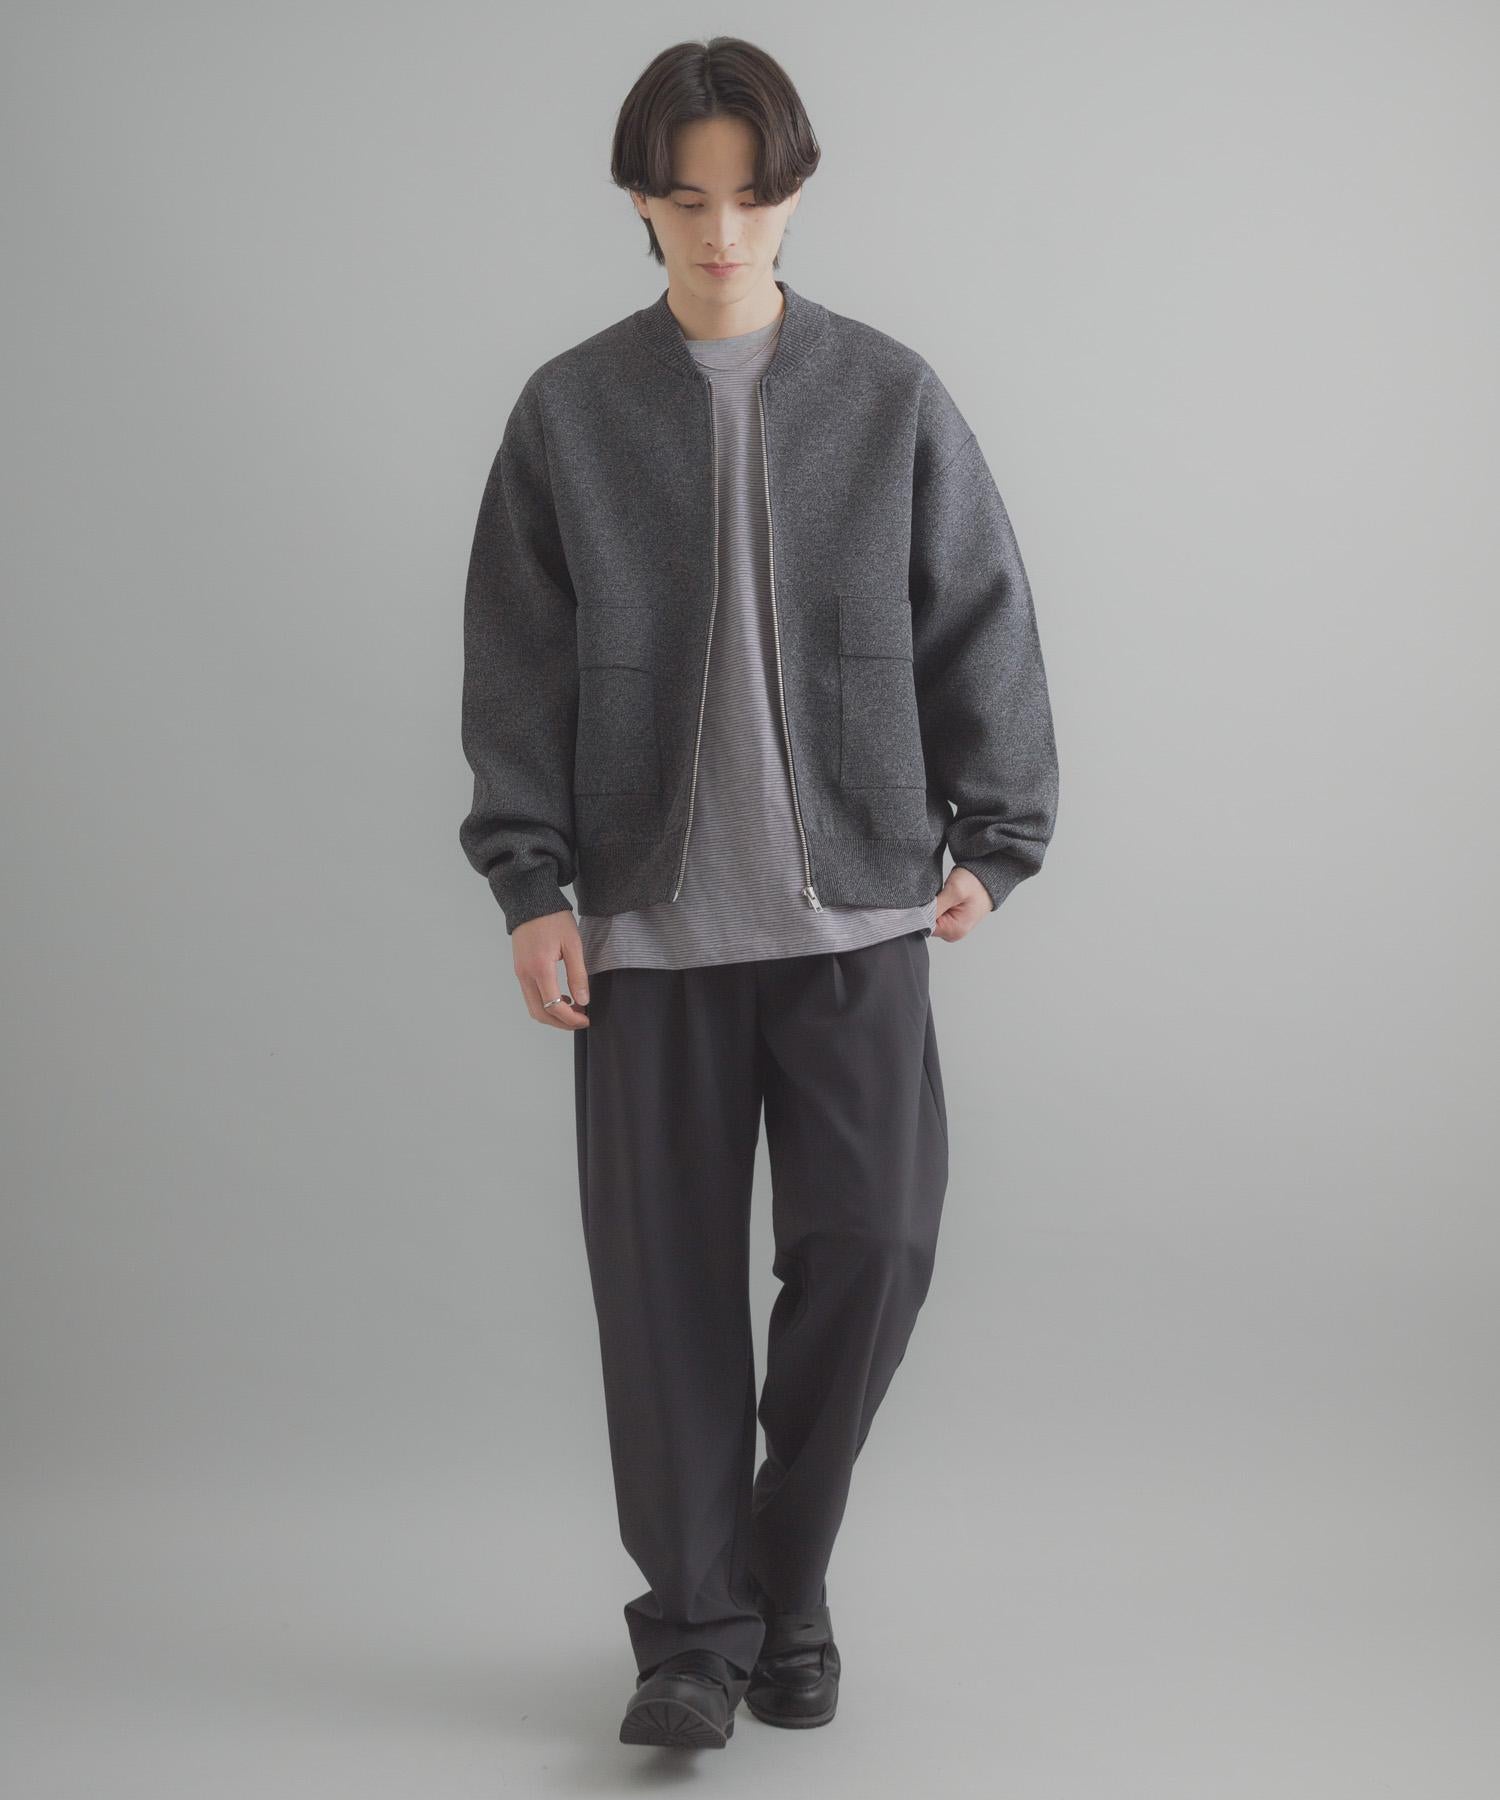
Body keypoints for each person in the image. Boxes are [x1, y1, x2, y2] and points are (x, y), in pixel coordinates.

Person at [458, 35, 1060, 1751]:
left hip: (854, 914)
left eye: (752, 196)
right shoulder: (572, 411)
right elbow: (517, 661)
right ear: (641, 203)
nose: (722, 233)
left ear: (795, 196)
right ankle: (694, 1639)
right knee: (661, 1299)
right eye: (686, 198)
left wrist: (997, 838)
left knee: (876, 1246)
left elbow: (980, 612)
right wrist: (530, 884)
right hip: (645, 933)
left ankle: (781, 1573)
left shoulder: (888, 394)